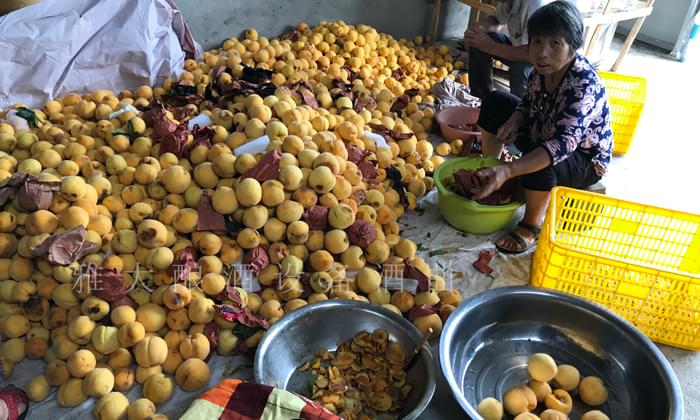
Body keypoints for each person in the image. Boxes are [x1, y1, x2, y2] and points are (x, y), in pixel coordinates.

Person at [471, 0, 613, 254]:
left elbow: (561, 145)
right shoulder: (542, 70)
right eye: (537, 42)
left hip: (583, 158)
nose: (542, 52)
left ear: (573, 46)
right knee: (495, 102)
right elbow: (529, 101)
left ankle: (530, 225)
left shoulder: (583, 84)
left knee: (539, 157)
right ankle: (492, 168)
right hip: (545, 129)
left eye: (555, 43)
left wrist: (511, 169)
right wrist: (516, 117)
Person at [464, 0, 553, 99]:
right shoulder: (508, 2)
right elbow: (496, 19)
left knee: (519, 69)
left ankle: (519, 108)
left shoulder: (535, 5)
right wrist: (478, 29)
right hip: (519, 48)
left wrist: (491, 46)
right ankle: (482, 98)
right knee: (476, 41)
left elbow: (531, 54)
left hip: (539, 59)